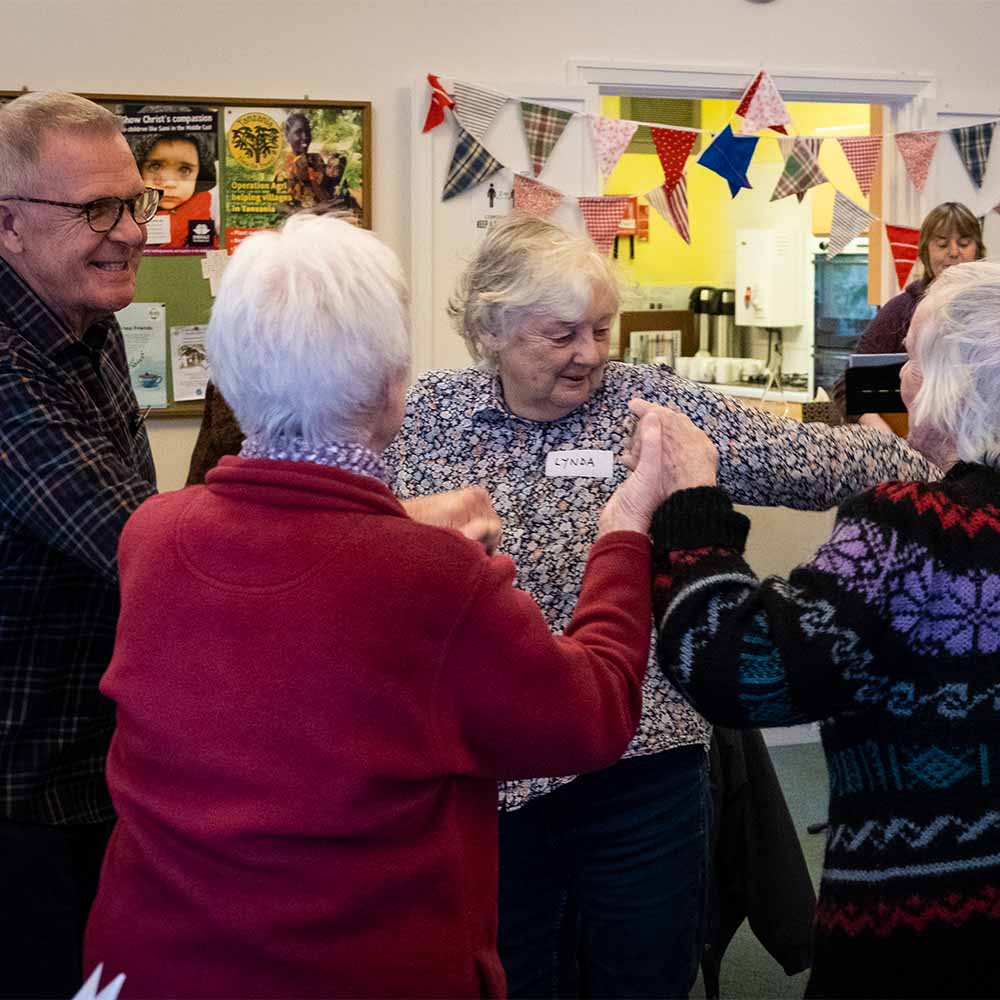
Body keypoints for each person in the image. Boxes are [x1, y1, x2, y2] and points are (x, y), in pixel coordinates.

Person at [83, 212, 676, 998]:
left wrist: (398, 526)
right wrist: (627, 528)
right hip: (352, 966)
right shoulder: (433, 577)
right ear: (392, 383)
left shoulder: (152, 536)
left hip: (148, 964)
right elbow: (593, 713)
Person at [385, 214, 938, 999]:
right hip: (493, 767)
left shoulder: (648, 408)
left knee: (645, 976)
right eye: (563, 334)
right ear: (490, 329)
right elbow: (339, 528)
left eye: (602, 329)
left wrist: (931, 460)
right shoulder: (424, 420)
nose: (590, 354)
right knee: (509, 975)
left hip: (642, 760)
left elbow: (800, 461)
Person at [642, 257, 1000, 998]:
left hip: (922, 930)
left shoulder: (915, 528)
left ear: (947, 379)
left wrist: (694, 508)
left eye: (911, 359)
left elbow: (741, 668)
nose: (899, 379)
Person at [0, 91, 162, 997]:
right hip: (18, 801)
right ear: (8, 225)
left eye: (135, 202)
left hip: (90, 776)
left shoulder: (84, 321)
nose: (132, 231)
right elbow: (131, 543)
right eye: (97, 208)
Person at [836, 201, 985, 428]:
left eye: (964, 243)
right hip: (909, 450)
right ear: (926, 251)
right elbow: (846, 388)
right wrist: (889, 441)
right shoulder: (900, 310)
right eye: (942, 244)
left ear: (978, 250)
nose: (954, 252)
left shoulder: (991, 309)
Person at [127, 113, 217, 251]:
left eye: (185, 170)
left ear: (199, 173)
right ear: (138, 169)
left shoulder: (210, 219)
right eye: (155, 166)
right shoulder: (124, 217)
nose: (169, 183)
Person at [273, 111, 349, 213]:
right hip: (304, 221)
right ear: (287, 136)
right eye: (298, 132)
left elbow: (326, 187)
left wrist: (338, 170)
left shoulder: (315, 159)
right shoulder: (284, 169)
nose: (305, 137)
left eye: (307, 132)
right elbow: (280, 207)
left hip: (326, 213)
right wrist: (317, 210)